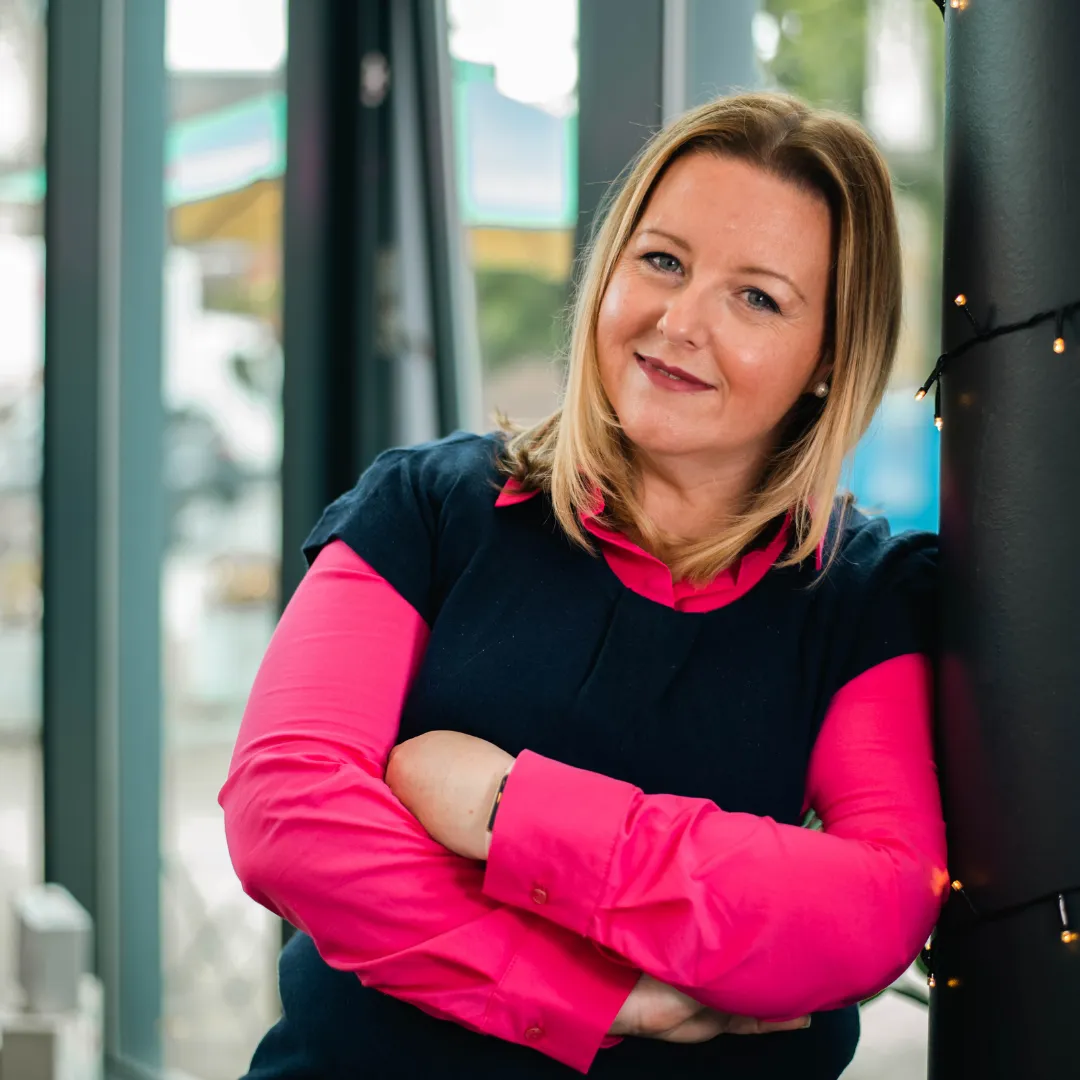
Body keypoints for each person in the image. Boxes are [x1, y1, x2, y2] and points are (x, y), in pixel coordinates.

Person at [220, 91, 948, 1079]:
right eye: (663, 261)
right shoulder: (430, 507)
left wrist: (505, 809)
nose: (677, 322)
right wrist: (594, 997)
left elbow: (880, 907)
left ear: (829, 358)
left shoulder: (861, 594)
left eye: (756, 298)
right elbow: (286, 811)